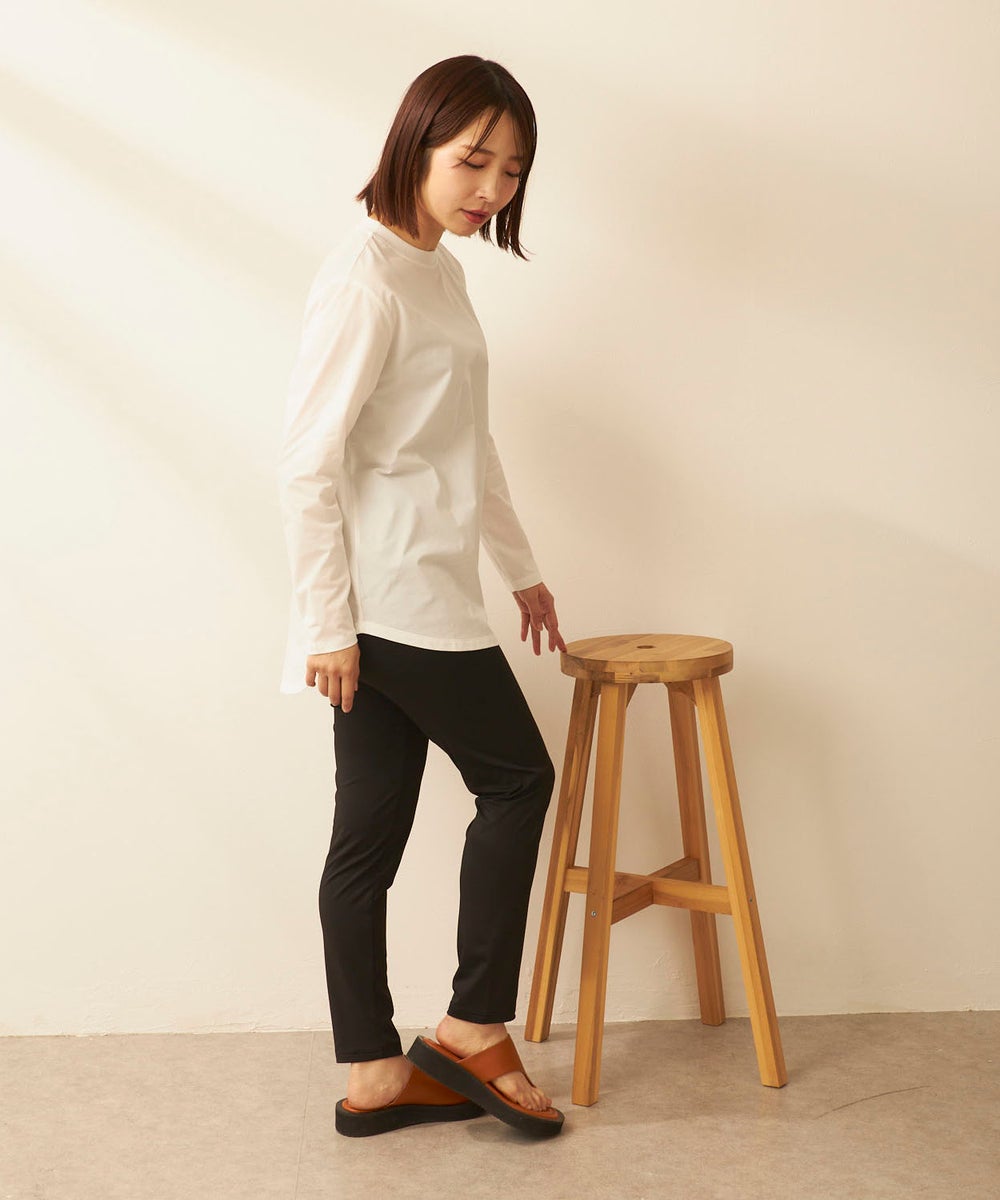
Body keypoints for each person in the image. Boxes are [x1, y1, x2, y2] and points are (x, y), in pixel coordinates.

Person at [277, 55, 568, 1139]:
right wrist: (325, 625)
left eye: (512, 169)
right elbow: (307, 462)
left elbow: (466, 440)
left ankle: (374, 1075)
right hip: (393, 601)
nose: (490, 187)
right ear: (417, 142)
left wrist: (520, 566)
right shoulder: (365, 278)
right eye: (472, 160)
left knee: (367, 838)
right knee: (519, 781)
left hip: (417, 590)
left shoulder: (437, 270)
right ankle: (472, 1030)